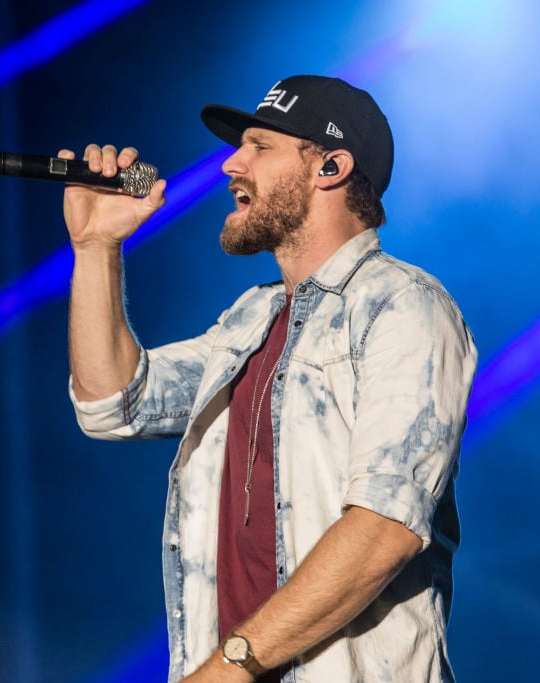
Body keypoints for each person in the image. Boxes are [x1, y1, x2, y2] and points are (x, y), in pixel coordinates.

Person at [62, 75, 477, 683]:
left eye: (260, 146)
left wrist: (230, 668)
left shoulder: (403, 303)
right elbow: (115, 403)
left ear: (330, 166)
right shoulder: (251, 319)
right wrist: (96, 246)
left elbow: (385, 528)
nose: (232, 164)